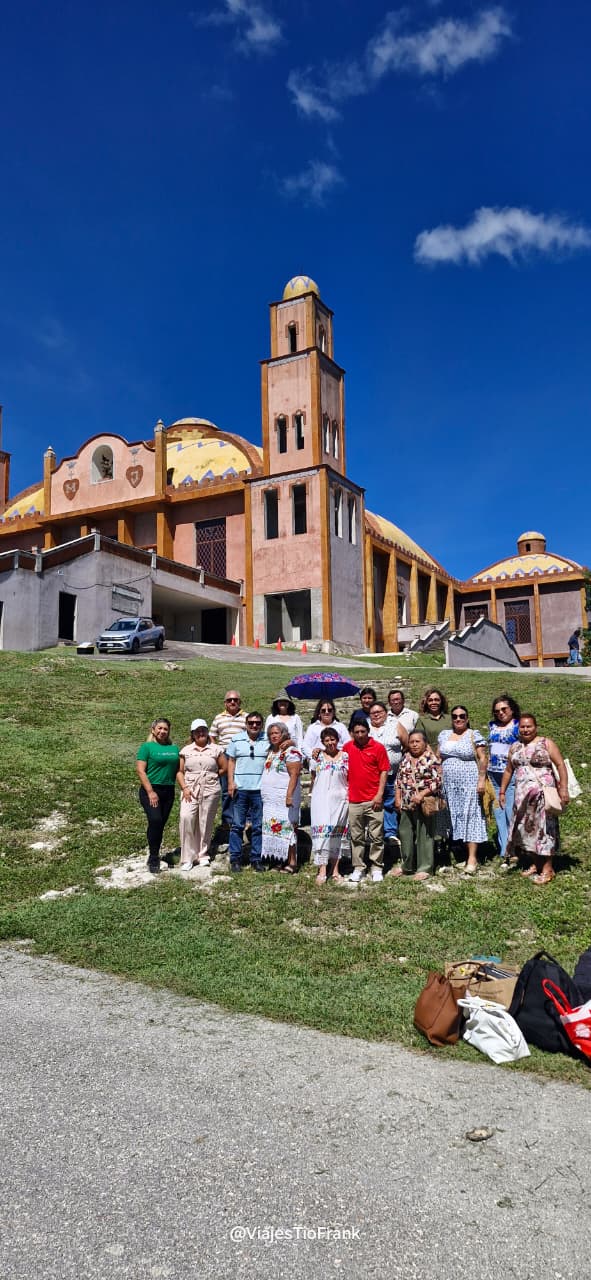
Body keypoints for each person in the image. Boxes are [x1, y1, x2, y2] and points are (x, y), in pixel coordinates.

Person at [500, 714, 568, 885]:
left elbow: (560, 764)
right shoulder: (515, 747)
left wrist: (563, 788)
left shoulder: (546, 743)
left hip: (543, 795)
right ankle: (536, 863)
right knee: (526, 830)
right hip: (522, 798)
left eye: (529, 726)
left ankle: (548, 869)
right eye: (522, 727)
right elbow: (508, 770)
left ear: (535, 727)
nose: (525, 729)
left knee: (544, 830)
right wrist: (502, 791)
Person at [438, 706, 488, 873]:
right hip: (448, 785)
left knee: (471, 815)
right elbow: (438, 757)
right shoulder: (444, 734)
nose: (458, 719)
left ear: (467, 718)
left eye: (462, 716)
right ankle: (460, 853)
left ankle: (472, 858)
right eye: (455, 716)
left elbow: (483, 758)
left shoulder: (473, 734)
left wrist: (481, 780)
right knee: (453, 815)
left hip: (469, 783)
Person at [343, 721, 390, 884]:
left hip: (373, 799)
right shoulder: (347, 747)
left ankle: (376, 867)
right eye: (357, 732)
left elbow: (384, 771)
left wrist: (379, 794)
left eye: (363, 731)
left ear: (368, 731)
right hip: (354, 800)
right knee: (356, 836)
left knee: (376, 836)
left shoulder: (378, 748)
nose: (360, 735)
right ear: (352, 733)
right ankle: (358, 867)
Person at [392, 729, 442, 880]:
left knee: (424, 835)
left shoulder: (431, 759)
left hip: (424, 803)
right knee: (405, 833)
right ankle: (407, 865)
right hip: (406, 803)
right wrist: (397, 798)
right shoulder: (405, 758)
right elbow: (399, 780)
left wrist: (422, 794)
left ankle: (425, 867)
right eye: (411, 742)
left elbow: (438, 781)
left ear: (425, 743)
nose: (414, 745)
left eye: (417, 741)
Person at [177, 719, 227, 870]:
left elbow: (224, 767)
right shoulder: (186, 750)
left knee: (205, 821)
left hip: (210, 788)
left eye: (203, 730)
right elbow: (180, 772)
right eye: (197, 731)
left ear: (207, 732)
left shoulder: (216, 749)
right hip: (190, 788)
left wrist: (212, 776)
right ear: (192, 734)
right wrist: (185, 787)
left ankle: (202, 854)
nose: (201, 733)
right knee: (186, 817)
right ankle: (187, 857)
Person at [136, 717, 180, 874]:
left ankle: (154, 852)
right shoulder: (147, 747)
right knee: (155, 820)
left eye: (165, 729)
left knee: (160, 824)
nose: (162, 731)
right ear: (153, 730)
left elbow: (179, 770)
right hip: (151, 789)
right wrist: (150, 792)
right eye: (159, 728)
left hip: (168, 790)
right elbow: (140, 770)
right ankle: (154, 857)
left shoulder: (174, 748)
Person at [225, 711, 268, 873]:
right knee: (237, 825)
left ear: (262, 724)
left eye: (257, 723)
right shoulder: (236, 739)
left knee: (258, 826)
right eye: (251, 723)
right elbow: (231, 761)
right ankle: (235, 858)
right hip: (240, 788)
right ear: (246, 724)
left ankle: (256, 858)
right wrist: (230, 782)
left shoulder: (268, 739)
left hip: (259, 789)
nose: (254, 725)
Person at [309, 726, 350, 884]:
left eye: (333, 739)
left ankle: (335, 870)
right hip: (321, 800)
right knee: (323, 834)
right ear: (322, 742)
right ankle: (322, 869)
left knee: (337, 835)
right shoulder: (318, 757)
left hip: (340, 799)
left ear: (338, 740)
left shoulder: (345, 756)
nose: (330, 742)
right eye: (327, 740)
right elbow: (313, 776)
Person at [260, 723, 302, 873]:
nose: (274, 736)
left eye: (276, 733)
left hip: (284, 797)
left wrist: (289, 795)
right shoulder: (271, 752)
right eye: (271, 733)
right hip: (271, 799)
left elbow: (294, 775)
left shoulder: (292, 751)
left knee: (287, 829)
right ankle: (279, 859)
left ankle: (292, 862)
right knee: (274, 829)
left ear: (284, 734)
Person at [487, 694, 520, 861]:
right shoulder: (492, 726)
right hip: (493, 773)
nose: (500, 713)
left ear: (511, 709)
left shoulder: (518, 726)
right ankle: (503, 848)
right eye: (497, 711)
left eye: (504, 709)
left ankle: (514, 847)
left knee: (510, 810)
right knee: (498, 811)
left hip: (510, 772)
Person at [209, 691, 247, 834]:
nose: (232, 702)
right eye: (229, 700)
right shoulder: (219, 718)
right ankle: (227, 820)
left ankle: (245, 819)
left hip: (242, 756)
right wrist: (217, 751)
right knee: (226, 789)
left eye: (235, 700)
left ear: (239, 702)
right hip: (224, 755)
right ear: (225, 703)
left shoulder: (246, 717)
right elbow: (212, 736)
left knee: (244, 787)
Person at [368, 701, 402, 846]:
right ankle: (373, 833)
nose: (376, 715)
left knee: (389, 802)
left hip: (392, 773)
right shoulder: (366, 727)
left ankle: (390, 833)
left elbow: (406, 743)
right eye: (373, 713)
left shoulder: (395, 725)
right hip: (371, 774)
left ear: (386, 713)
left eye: (379, 712)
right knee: (373, 803)